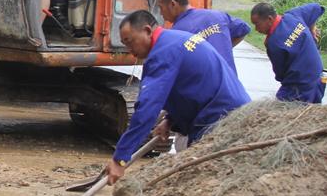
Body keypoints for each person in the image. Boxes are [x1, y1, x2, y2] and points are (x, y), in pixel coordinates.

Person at [106, 10, 251, 183]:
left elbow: (146, 109)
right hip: (233, 109)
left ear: (147, 30)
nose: (129, 50)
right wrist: (170, 120)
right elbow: (189, 86)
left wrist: (120, 158)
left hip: (218, 118)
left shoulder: (163, 53)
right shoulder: (175, 39)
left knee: (201, 179)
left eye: (130, 42)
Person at [156, 0, 250, 74]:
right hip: (232, 85)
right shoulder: (218, 16)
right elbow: (244, 29)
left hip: (205, 88)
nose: (160, 13)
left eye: (161, 7)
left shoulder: (177, 33)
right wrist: (226, 47)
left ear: (173, 4)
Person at [250, 1, 326, 103]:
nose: (256, 29)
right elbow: (316, 8)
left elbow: (280, 75)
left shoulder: (273, 44)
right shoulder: (293, 15)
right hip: (322, 78)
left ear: (269, 19)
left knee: (279, 112)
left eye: (257, 24)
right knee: (314, 112)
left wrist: (311, 30)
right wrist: (311, 28)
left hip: (301, 86)